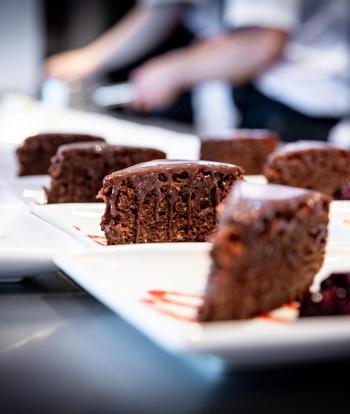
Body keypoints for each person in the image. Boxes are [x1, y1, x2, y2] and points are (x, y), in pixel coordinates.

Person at [45, 0, 350, 142]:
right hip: (252, 100)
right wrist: (89, 60)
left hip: (301, 107)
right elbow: (161, 9)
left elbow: (259, 44)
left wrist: (171, 71)